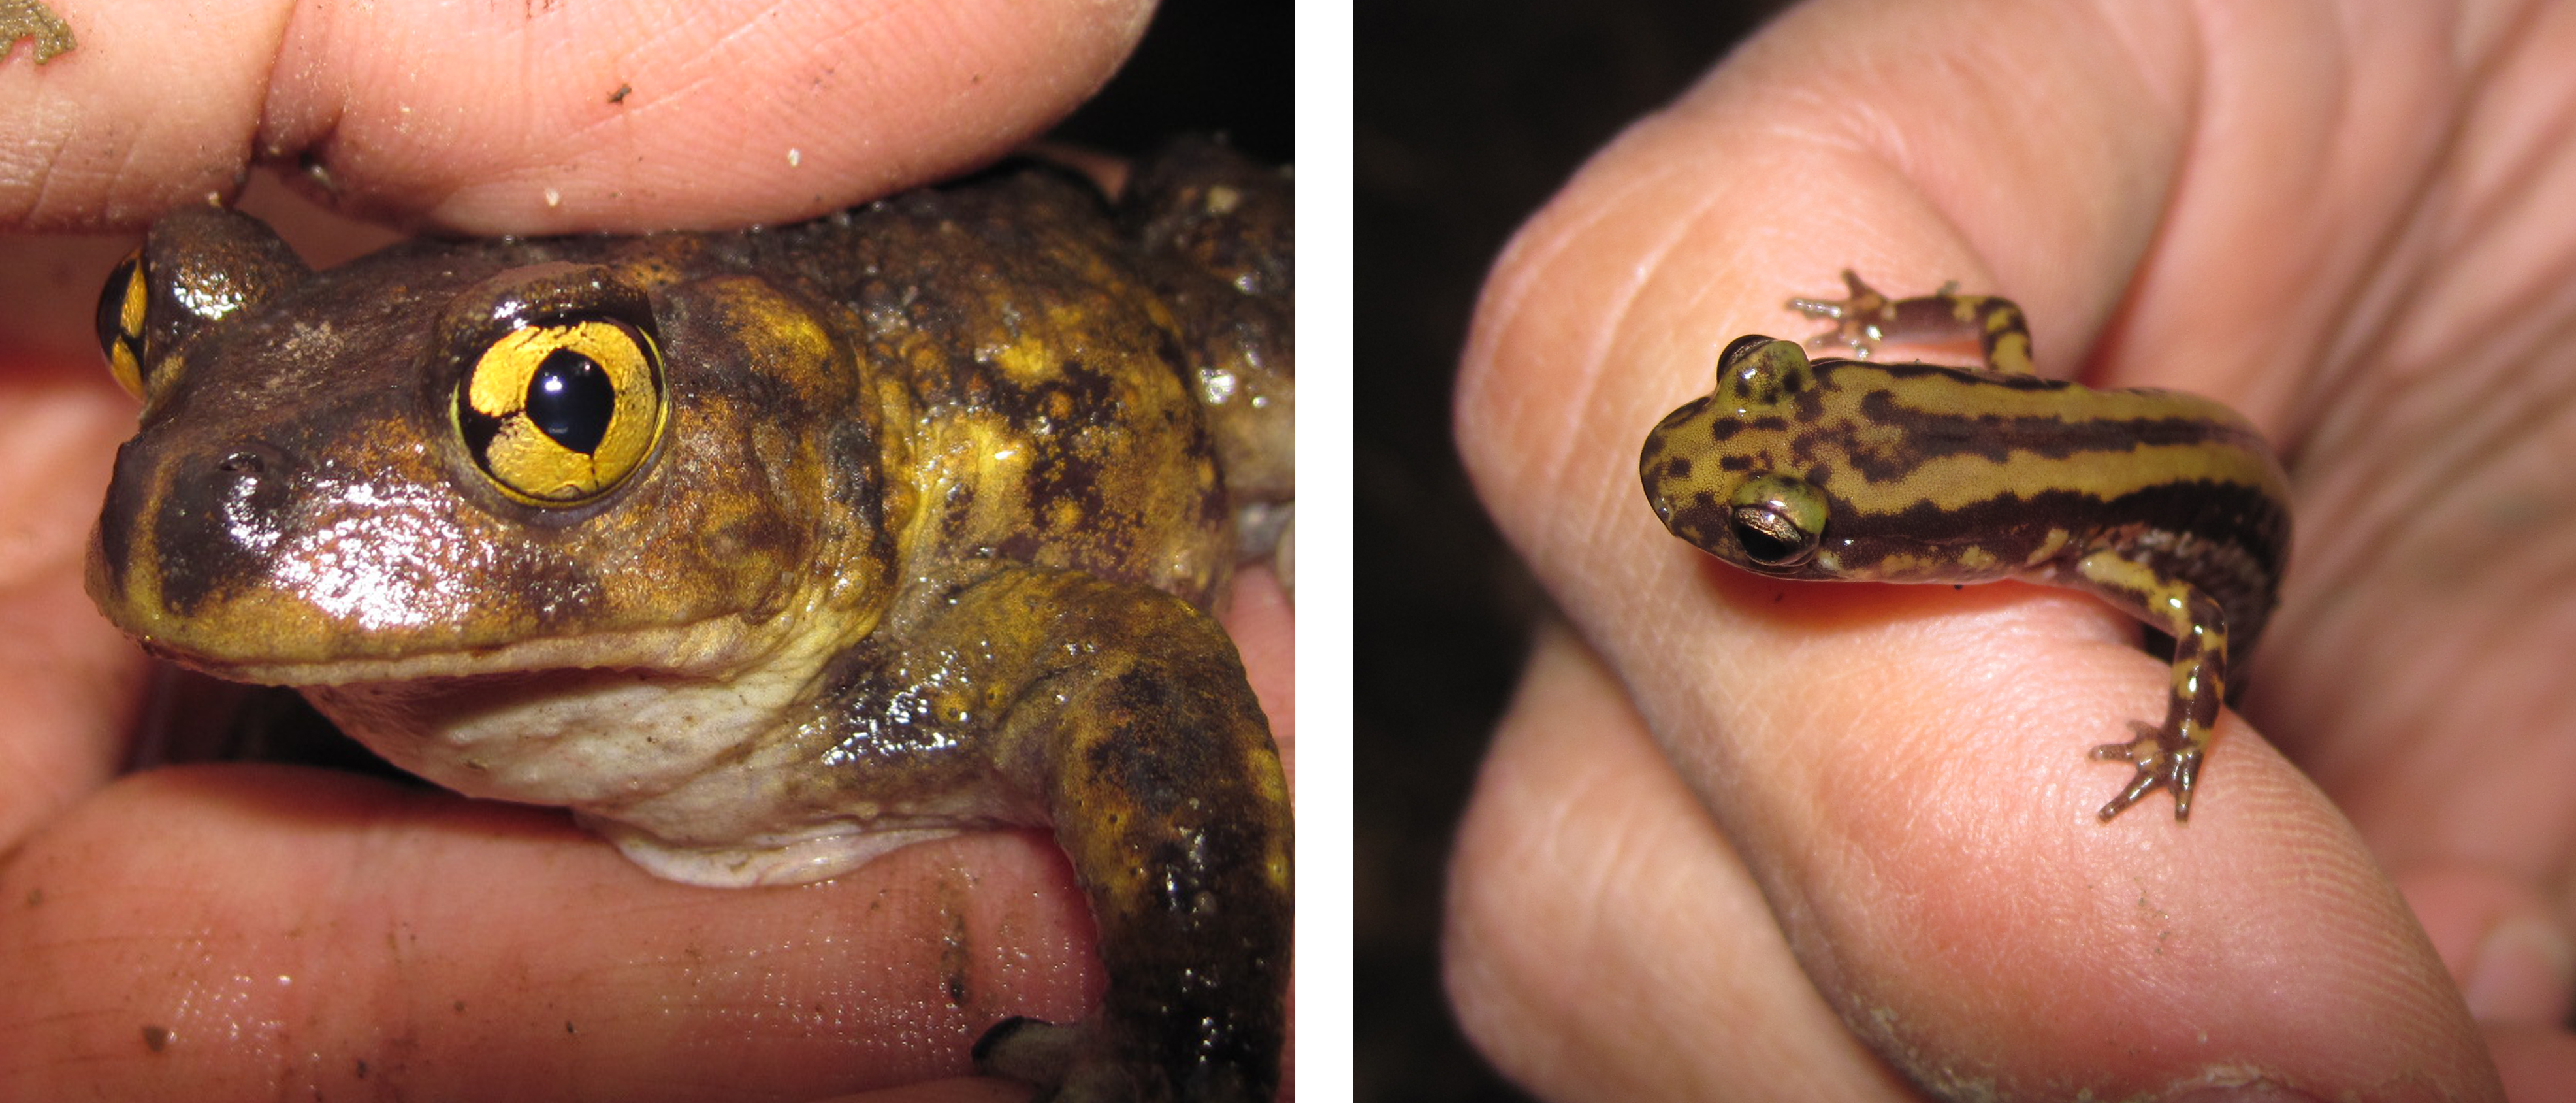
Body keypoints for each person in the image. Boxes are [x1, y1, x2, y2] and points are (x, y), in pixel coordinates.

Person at [0, 3, 1294, 1099]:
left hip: (1054, 275)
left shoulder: (911, 651)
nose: (202, 493)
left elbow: (1135, 670)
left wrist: (1183, 1033)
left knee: (1261, 378)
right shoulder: (306, 603)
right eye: (152, 345)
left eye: (559, 412)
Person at [1449, 2, 2575, 1098]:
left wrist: (2185, 741)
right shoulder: (2027, 430)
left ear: (1944, 542)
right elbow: (1993, 325)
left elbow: (2203, 621)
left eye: (1773, 534)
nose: (1752, 539)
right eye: (1775, 528)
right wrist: (1888, 317)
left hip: (2234, 516)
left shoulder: (2094, 550)